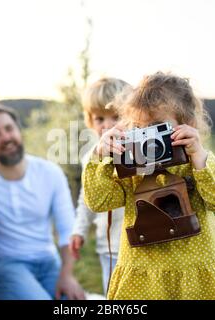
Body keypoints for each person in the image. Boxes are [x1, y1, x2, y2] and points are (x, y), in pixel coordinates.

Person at [82, 71, 215, 300]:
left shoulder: (195, 162)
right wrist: (101, 159)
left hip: (198, 275)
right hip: (145, 280)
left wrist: (199, 158)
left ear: (187, 125)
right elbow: (99, 202)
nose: (148, 139)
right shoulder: (132, 167)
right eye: (139, 129)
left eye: (157, 128)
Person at [0, 103, 85, 300]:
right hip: (7, 265)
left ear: (18, 130)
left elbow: (68, 229)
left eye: (9, 128)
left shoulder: (50, 173)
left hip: (50, 263)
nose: (6, 137)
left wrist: (67, 275)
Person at [69, 77, 130, 295]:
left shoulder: (139, 153)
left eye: (116, 117)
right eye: (99, 119)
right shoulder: (91, 159)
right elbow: (86, 199)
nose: (107, 125)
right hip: (110, 249)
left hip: (140, 245)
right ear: (89, 121)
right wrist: (79, 230)